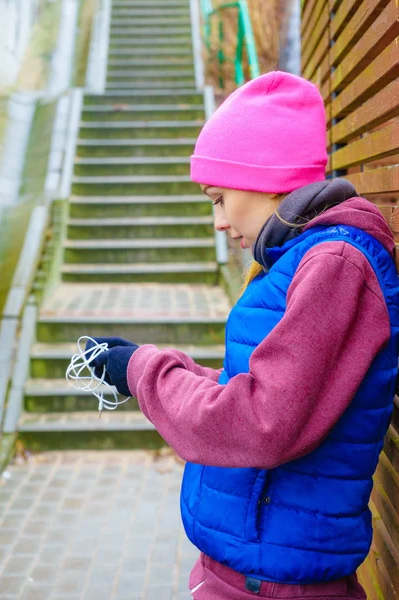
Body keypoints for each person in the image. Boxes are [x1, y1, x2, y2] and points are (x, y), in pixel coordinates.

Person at [85, 71, 399, 599]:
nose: (218, 222)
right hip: (250, 571)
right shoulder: (303, 262)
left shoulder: (334, 265)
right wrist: (156, 366)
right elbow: (272, 391)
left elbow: (261, 421)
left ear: (263, 177)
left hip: (272, 584)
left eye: (218, 198)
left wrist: (144, 372)